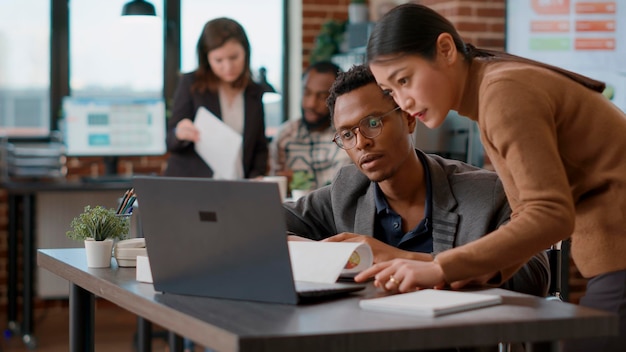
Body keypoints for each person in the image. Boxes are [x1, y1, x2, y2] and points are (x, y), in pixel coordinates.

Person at [355, 4, 626, 351]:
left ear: (446, 49)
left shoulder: (503, 93)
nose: (404, 101)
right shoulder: (492, 92)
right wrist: (453, 272)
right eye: (391, 91)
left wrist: (441, 267)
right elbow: (528, 217)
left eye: (405, 79)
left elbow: (550, 215)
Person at [284, 64, 550, 298]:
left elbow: (534, 276)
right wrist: (323, 255)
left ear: (409, 119)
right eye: (347, 134)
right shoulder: (348, 190)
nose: (361, 142)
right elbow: (261, 228)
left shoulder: (486, 193)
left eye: (373, 123)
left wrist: (403, 259)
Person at [164, 17, 268, 179]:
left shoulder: (253, 91)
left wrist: (256, 176)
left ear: (245, 53)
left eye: (234, 57)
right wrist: (179, 133)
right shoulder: (192, 84)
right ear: (207, 58)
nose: (228, 67)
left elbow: (260, 146)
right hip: (194, 185)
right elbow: (170, 140)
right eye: (218, 60)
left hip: (237, 186)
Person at [270, 61, 352, 190]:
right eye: (307, 93)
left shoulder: (346, 138)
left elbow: (341, 192)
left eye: (322, 97)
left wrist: (296, 182)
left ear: (338, 98)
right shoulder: (285, 135)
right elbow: (275, 188)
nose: (310, 104)